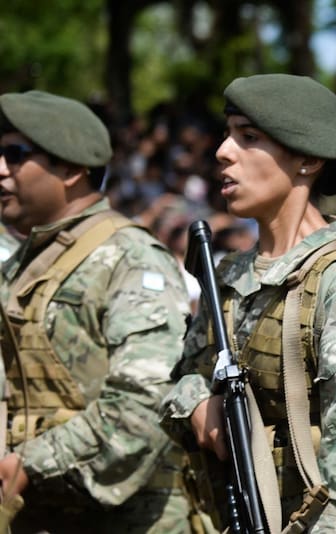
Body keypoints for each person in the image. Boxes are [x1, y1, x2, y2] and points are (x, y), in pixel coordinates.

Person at [159, 74, 336, 532]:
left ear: (309, 160)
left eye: (249, 137)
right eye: (228, 133)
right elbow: (183, 379)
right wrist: (199, 404)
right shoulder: (231, 276)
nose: (223, 151)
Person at [0, 90, 192, 532]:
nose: (1, 169)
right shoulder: (22, 264)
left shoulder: (131, 258)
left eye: (15, 155)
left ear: (71, 170)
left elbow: (145, 400)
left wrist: (31, 463)